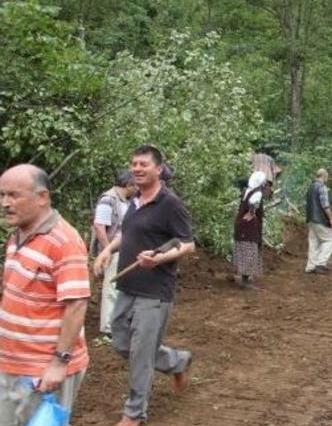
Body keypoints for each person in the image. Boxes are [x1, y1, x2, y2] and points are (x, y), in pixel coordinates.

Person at [93, 145, 195, 426]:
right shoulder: (135, 201)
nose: (137, 168)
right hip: (128, 285)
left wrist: (160, 257)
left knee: (140, 353)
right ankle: (176, 361)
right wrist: (106, 251)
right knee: (121, 342)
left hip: (155, 291)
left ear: (158, 169)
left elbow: (187, 245)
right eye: (134, 164)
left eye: (143, 164)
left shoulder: (170, 204)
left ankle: (134, 413)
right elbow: (127, 232)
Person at [0, 165, 90, 425]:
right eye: (2, 195)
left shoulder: (65, 241)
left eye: (14, 195)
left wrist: (59, 363)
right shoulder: (18, 236)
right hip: (12, 360)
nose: (5, 203)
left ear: (43, 197)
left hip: (41, 368)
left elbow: (77, 304)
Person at [92, 170, 137, 338]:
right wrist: (107, 250)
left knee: (123, 286)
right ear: (128, 185)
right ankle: (108, 328)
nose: (137, 189)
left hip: (125, 249)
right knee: (111, 287)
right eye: (135, 186)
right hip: (113, 249)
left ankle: (120, 323)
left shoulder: (126, 200)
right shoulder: (108, 199)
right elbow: (99, 226)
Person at [233, 171, 266, 289]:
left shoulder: (248, 190)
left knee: (245, 249)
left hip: (241, 225)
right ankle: (245, 281)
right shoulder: (257, 192)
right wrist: (252, 213)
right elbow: (253, 202)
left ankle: (244, 278)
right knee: (249, 250)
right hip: (248, 226)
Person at [305, 168, 332, 274]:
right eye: (327, 176)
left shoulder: (310, 187)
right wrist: (331, 219)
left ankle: (310, 266)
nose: (327, 178)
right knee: (330, 240)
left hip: (310, 219)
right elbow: (325, 205)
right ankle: (320, 263)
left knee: (314, 242)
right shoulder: (322, 187)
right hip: (319, 219)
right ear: (324, 176)